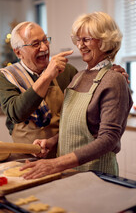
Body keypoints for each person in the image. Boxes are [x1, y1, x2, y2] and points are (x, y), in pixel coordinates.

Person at [20, 12, 133, 179]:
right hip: (69, 172)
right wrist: (53, 142)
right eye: (78, 39)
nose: (80, 45)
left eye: (86, 39)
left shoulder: (114, 79)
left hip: (96, 175)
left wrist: (56, 164)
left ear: (104, 41)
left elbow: (109, 138)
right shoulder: (78, 77)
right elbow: (78, 127)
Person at [0, 21, 128, 159]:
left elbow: (89, 107)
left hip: (67, 156)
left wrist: (111, 76)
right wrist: (47, 76)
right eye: (35, 44)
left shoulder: (66, 71)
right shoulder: (6, 77)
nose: (44, 47)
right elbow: (16, 113)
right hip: (25, 158)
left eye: (45, 40)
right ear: (18, 52)